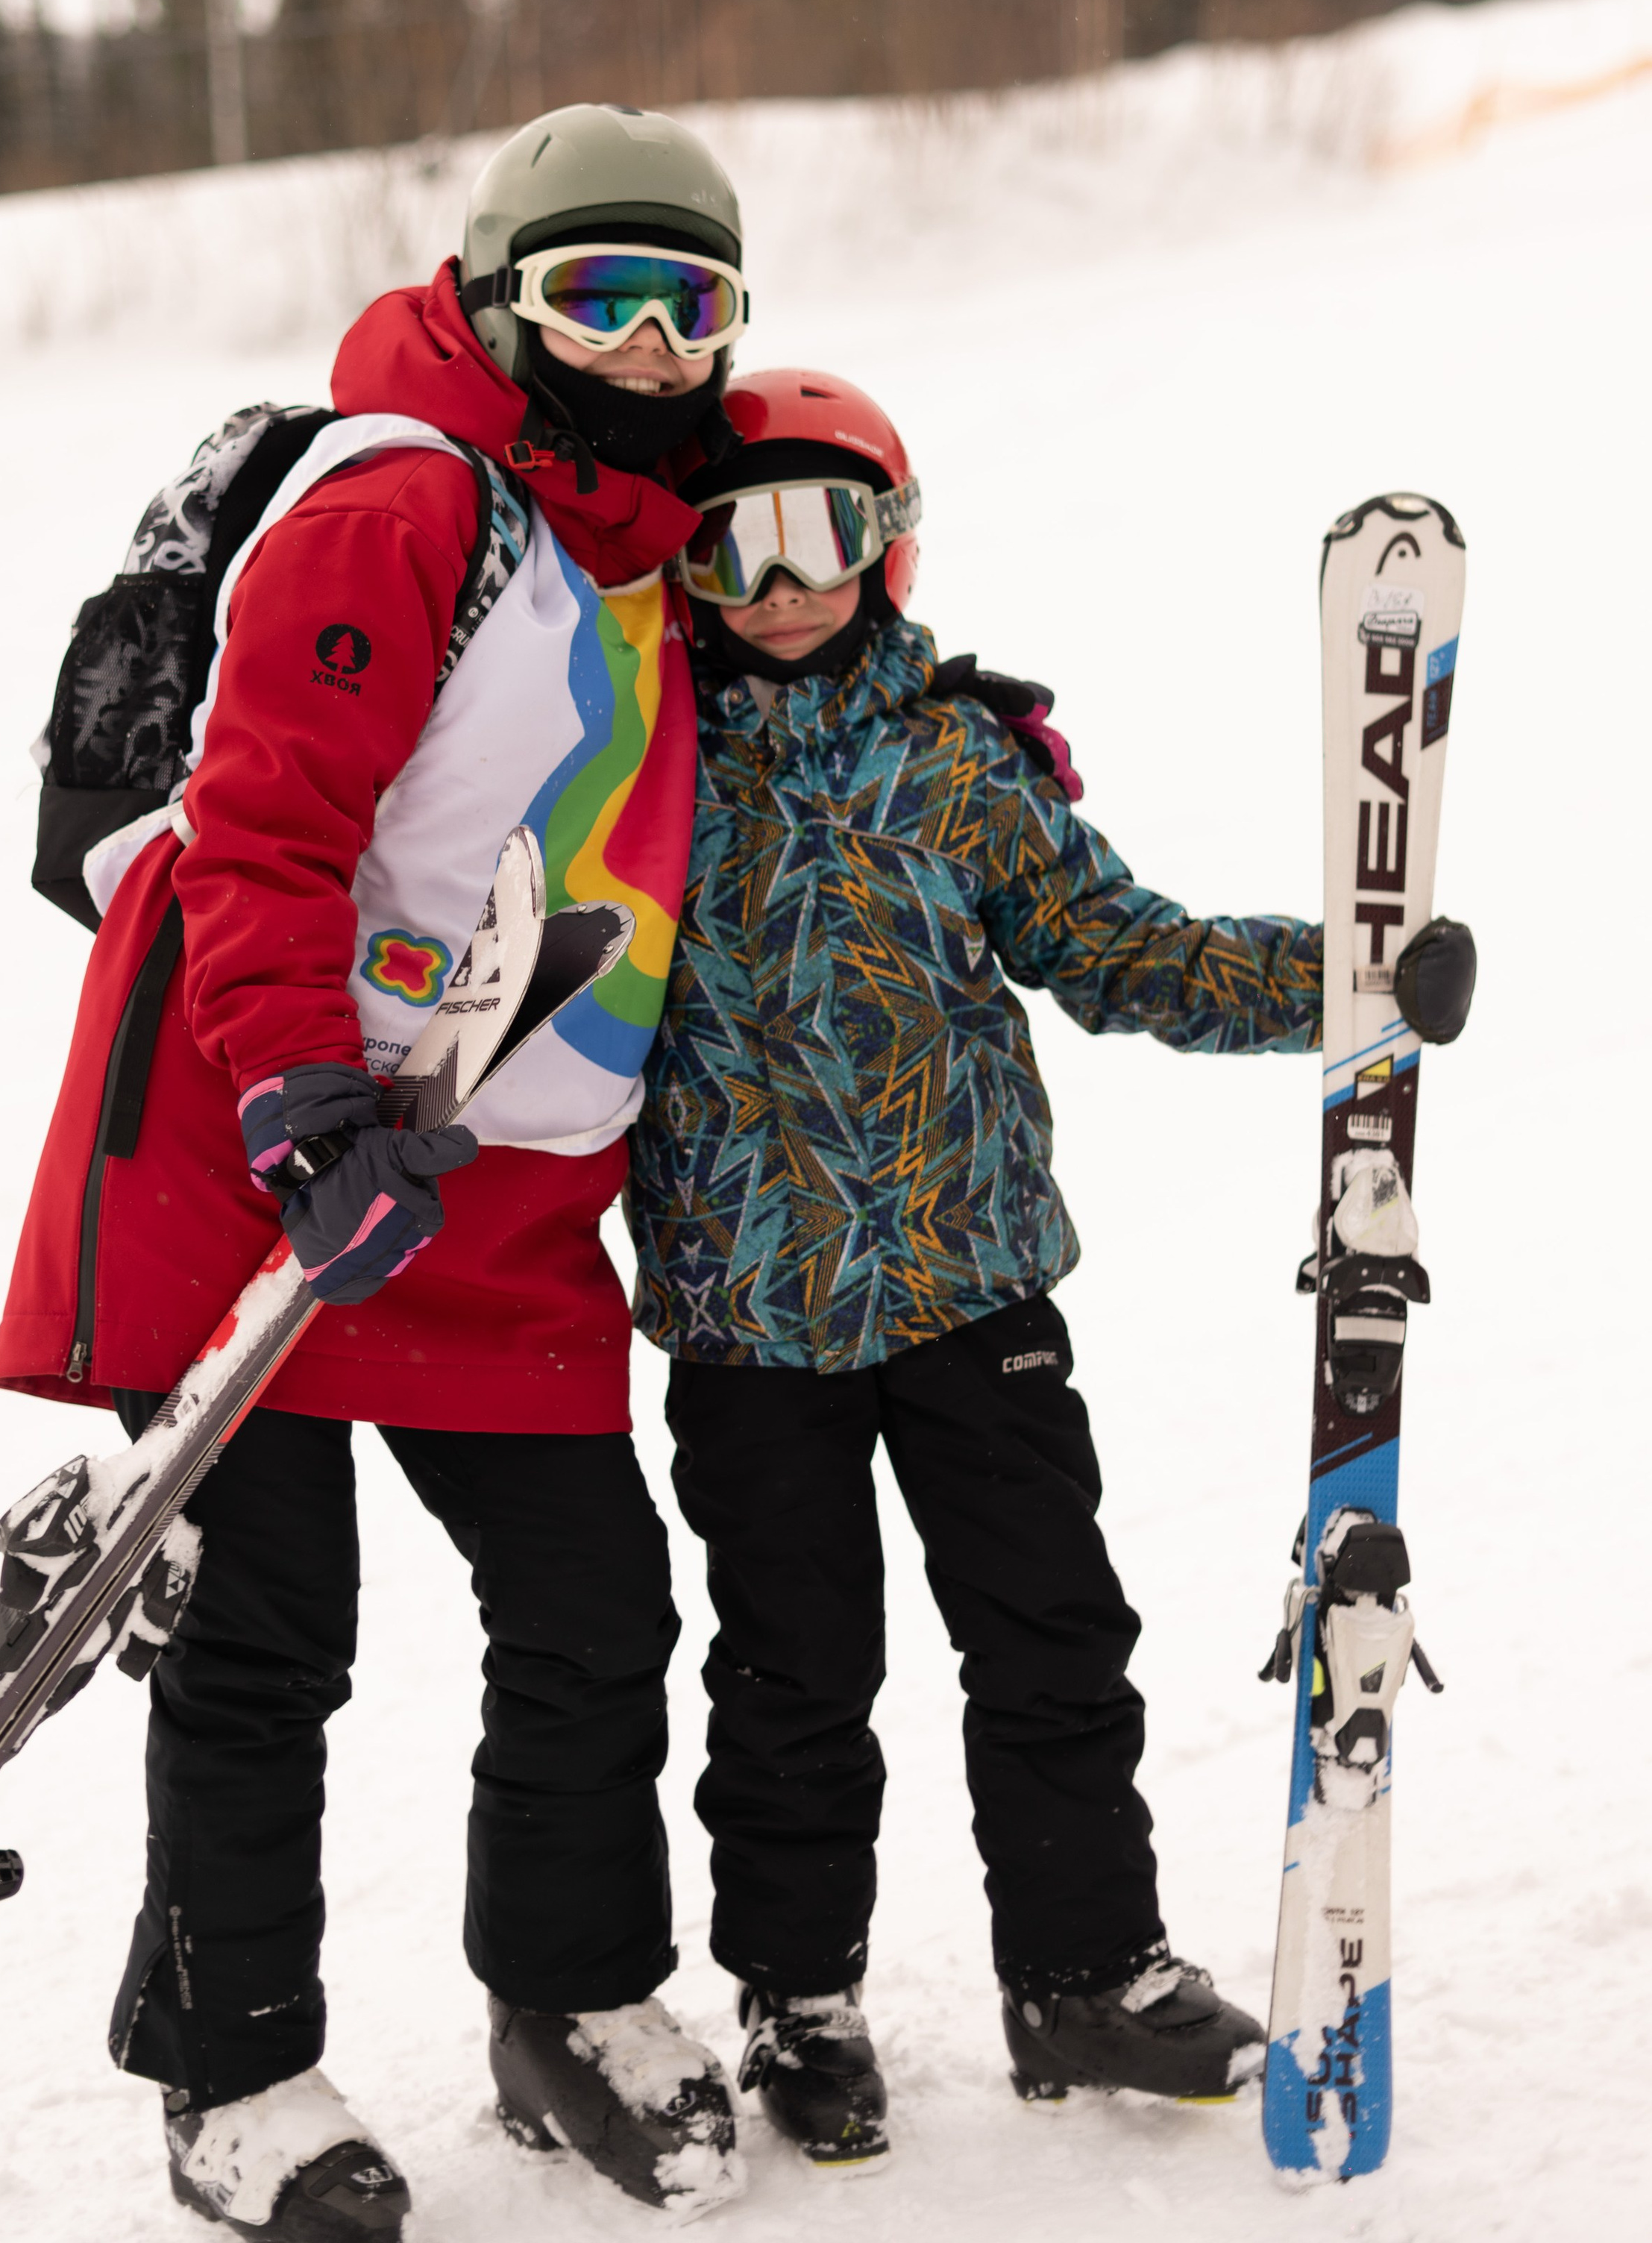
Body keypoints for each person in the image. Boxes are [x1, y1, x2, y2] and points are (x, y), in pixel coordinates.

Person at [0, 106, 767, 2235]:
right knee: (262, 1637)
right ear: (504, 306)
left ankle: (569, 2000)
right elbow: (261, 830)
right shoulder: (405, 496)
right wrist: (304, 1107)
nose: (645, 347)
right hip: (285, 1145)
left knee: (597, 1607)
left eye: (687, 304)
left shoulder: (646, 543)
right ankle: (233, 2081)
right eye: (597, 299)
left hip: (502, 1189)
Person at [625, 368, 1477, 2169]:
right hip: (752, 1319)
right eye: (727, 545)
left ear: (887, 543)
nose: (776, 584)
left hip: (975, 1292)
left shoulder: (953, 759)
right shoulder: (638, 767)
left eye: (818, 535)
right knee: (792, 1672)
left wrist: (1341, 978)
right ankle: (798, 1994)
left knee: (1051, 1638)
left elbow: (1113, 947)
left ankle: (1081, 1969)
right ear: (677, 568)